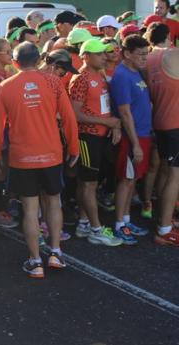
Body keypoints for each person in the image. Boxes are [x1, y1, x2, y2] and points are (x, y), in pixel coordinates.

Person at [0, 42, 79, 279]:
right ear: (39, 58)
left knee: (30, 209)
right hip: (51, 153)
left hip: (22, 157)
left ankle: (35, 260)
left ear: (15, 62)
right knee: (54, 202)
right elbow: (69, 118)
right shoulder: (53, 82)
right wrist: (74, 147)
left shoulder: (6, 86)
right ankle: (56, 252)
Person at [69, 39, 123, 247]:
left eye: (104, 53)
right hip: (87, 137)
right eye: (99, 54)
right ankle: (96, 229)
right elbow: (75, 114)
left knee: (88, 182)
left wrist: (114, 126)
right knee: (89, 183)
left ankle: (84, 223)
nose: (104, 56)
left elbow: (104, 106)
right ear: (86, 56)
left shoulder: (98, 74)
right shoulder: (81, 78)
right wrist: (106, 122)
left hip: (101, 136)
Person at [109, 35, 152, 244]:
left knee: (133, 179)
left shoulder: (136, 72)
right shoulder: (122, 76)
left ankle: (126, 220)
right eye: (141, 54)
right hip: (131, 138)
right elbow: (124, 113)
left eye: (146, 53)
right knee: (126, 181)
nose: (145, 58)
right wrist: (135, 144)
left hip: (143, 134)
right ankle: (118, 225)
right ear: (127, 54)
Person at [146, 46, 179, 245]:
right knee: (175, 176)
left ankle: (164, 219)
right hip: (175, 125)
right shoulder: (173, 56)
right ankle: (165, 229)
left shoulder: (152, 57)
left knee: (167, 172)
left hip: (161, 123)